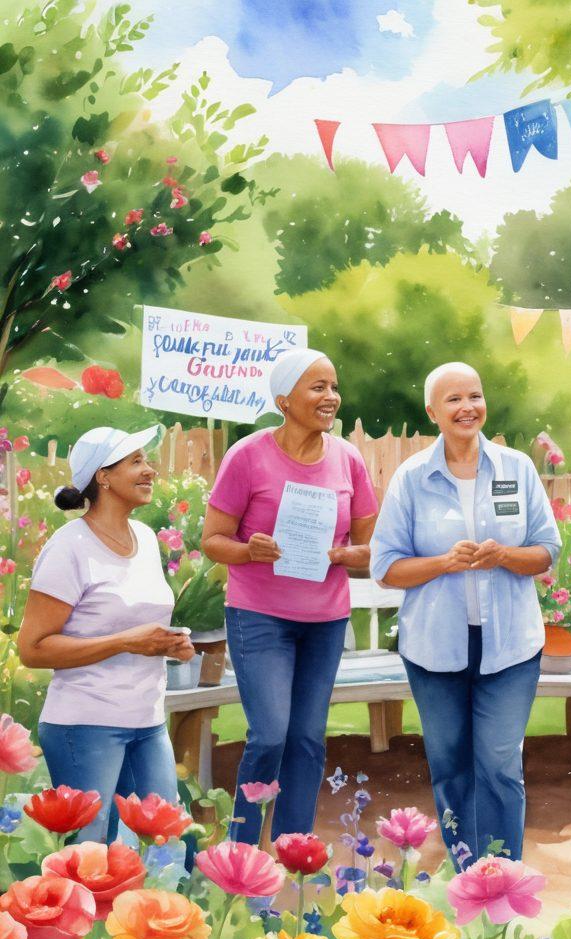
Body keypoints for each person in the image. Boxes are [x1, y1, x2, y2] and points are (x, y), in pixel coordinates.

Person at [371, 362, 560, 864]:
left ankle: (503, 873)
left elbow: (547, 551)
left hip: (511, 644)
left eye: (474, 396)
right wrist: (442, 563)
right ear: (432, 412)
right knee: (451, 765)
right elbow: (384, 567)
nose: (467, 407)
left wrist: (505, 556)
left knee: (499, 762)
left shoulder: (517, 468)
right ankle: (467, 872)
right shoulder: (412, 478)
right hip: (435, 646)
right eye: (453, 399)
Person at [202, 348, 378, 845]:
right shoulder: (247, 456)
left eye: (334, 386)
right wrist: (248, 550)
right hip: (260, 616)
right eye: (317, 387)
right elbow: (212, 540)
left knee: (306, 737)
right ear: (283, 399)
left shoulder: (348, 459)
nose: (331, 397)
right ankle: (241, 849)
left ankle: (293, 848)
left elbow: (371, 547)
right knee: (270, 734)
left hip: (325, 620)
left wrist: (350, 555)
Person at [18, 425, 194, 842]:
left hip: (147, 720)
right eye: (136, 461)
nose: (150, 470)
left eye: (147, 460)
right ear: (103, 476)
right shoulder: (69, 547)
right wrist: (127, 642)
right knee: (90, 853)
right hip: (85, 723)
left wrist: (171, 645)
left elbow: (139, 623)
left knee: (166, 845)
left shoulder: (146, 539)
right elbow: (33, 649)